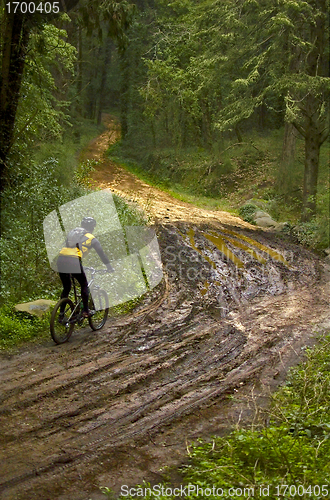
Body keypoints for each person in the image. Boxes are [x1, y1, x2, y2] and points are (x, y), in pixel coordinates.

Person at [57, 217, 113, 320]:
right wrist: (109, 267)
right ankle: (85, 311)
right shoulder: (92, 239)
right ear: (92, 227)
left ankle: (61, 314)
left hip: (61, 259)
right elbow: (102, 254)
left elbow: (71, 250)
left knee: (67, 287)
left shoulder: (73, 234)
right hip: (73, 261)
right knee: (84, 285)